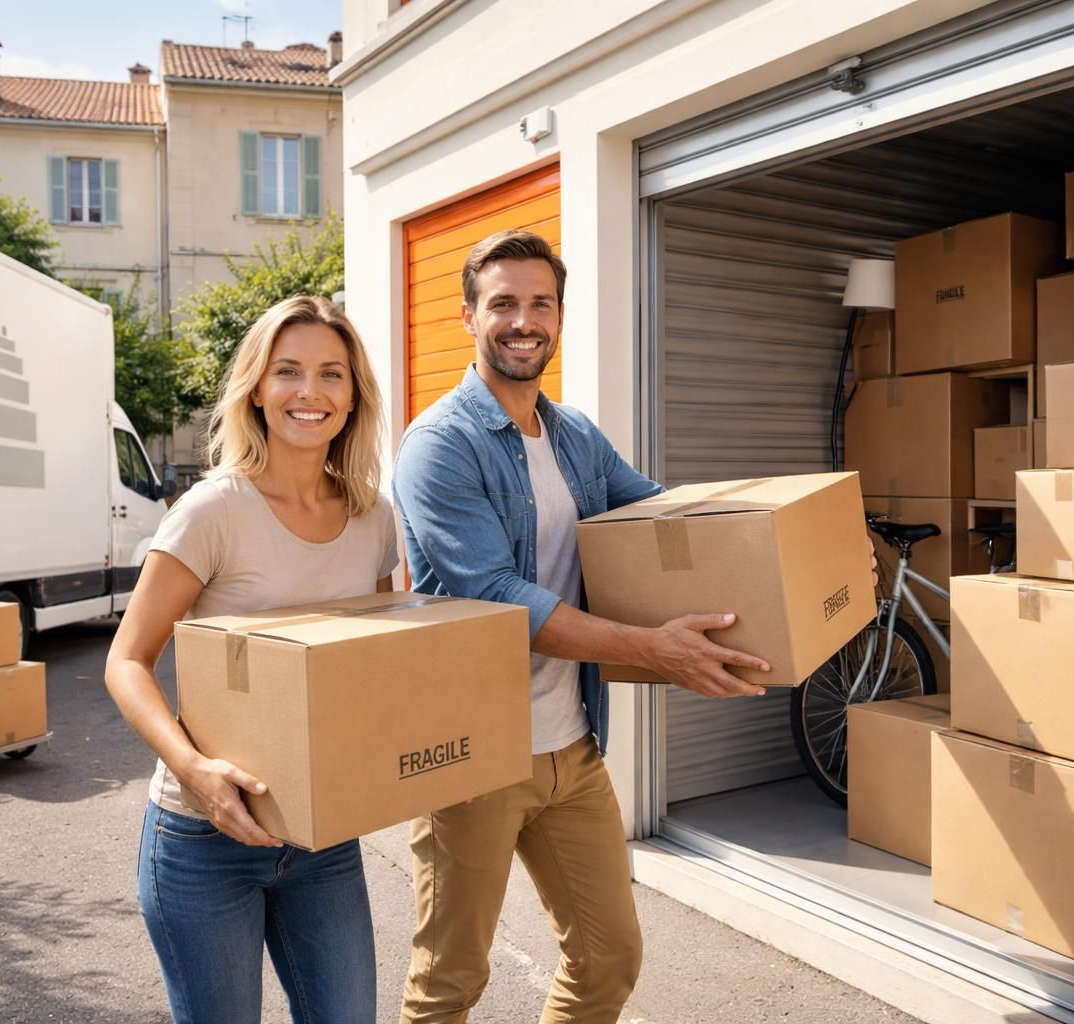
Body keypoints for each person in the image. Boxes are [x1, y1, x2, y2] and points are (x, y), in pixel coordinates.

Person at [391, 229, 783, 1024]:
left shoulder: (573, 436)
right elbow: (500, 597)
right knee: (450, 981)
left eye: (540, 303)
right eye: (503, 303)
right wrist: (654, 650)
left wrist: (808, 553)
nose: (523, 320)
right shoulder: (439, 445)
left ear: (560, 317)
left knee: (608, 957)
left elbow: (667, 520)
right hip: (475, 757)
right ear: (469, 316)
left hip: (571, 746)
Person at [105, 295, 395, 1024]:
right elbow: (127, 662)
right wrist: (196, 773)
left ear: (354, 395)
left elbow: (377, 667)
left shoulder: (373, 518)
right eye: (288, 371)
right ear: (257, 389)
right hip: (204, 839)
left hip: (321, 837)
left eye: (332, 374)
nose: (310, 392)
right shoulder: (214, 511)